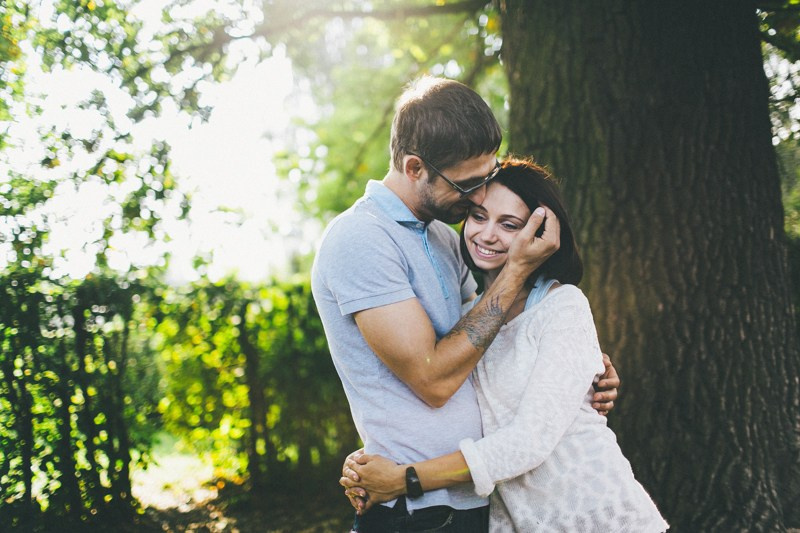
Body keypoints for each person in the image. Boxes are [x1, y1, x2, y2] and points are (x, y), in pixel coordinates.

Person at [311, 76, 619, 532]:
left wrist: (577, 368)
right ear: (415, 167)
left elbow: (481, 344)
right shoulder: (361, 239)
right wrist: (514, 272)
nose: (479, 195)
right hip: (415, 512)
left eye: (488, 177)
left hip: (474, 503)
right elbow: (433, 378)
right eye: (469, 184)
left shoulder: (439, 234)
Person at [340, 157, 668, 532]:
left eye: (509, 225)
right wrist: (376, 456)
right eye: (479, 217)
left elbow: (529, 441)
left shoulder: (563, 306)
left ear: (540, 234)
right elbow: (446, 401)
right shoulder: (471, 320)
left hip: (594, 516)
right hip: (513, 521)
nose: (487, 234)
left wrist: (405, 478)